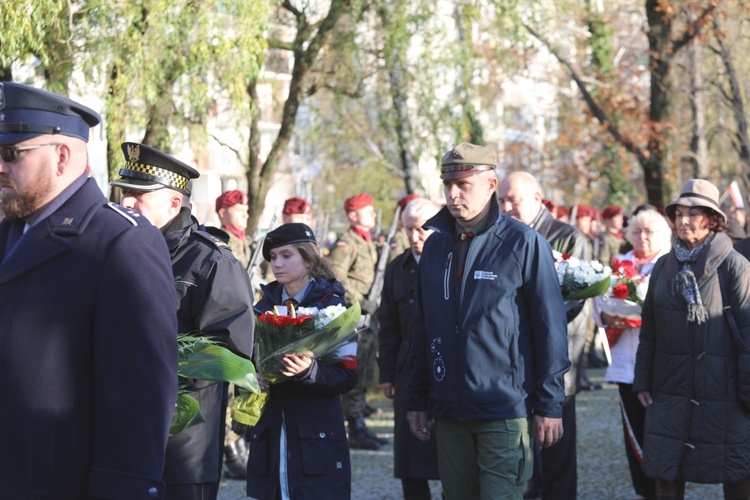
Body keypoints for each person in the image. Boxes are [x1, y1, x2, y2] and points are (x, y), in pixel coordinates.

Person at [0, 82, 178, 498]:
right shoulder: (8, 233)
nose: (0, 166)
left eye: (11, 154)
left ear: (62, 155)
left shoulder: (120, 242)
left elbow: (140, 402)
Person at [407, 143, 569, 499]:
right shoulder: (434, 247)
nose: (452, 193)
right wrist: (416, 398)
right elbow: (423, 327)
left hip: (503, 408)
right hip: (449, 409)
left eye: (463, 184)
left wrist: (549, 403)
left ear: (491, 184)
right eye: (448, 184)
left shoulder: (523, 243)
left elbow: (550, 328)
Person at [112, 143, 255, 500]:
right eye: (125, 192)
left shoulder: (211, 262)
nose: (127, 202)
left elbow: (230, 351)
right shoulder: (115, 250)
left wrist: (157, 363)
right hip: (122, 433)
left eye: (139, 195)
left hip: (183, 441)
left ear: (174, 204)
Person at [633, 179, 750, 499]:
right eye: (679, 213)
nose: (684, 220)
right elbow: (650, 329)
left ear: (713, 220)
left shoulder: (735, 266)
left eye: (694, 213)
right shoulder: (662, 267)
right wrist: (642, 379)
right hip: (670, 390)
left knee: (737, 472)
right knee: (665, 473)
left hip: (725, 393)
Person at [497, 170, 591, 500]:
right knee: (521, 455)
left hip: (555, 362)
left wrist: (524, 319)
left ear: (538, 199)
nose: (506, 207)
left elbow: (575, 300)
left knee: (556, 454)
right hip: (514, 364)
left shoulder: (568, 237)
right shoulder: (501, 235)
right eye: (501, 200)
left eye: (514, 200)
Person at [248, 223, 357, 499]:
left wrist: (310, 371)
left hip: (315, 434)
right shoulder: (261, 307)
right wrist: (253, 376)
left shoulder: (333, 308)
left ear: (308, 260)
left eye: (286, 256)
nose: (277, 264)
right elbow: (247, 359)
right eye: (273, 257)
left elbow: (347, 377)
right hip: (271, 431)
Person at [596, 208, 671, 500]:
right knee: (633, 429)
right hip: (625, 362)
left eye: (649, 232)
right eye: (637, 231)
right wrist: (607, 316)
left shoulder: (669, 264)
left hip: (661, 363)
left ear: (663, 235)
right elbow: (598, 303)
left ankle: (664, 488)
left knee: (660, 430)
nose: (642, 237)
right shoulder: (621, 264)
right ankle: (642, 490)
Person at [378, 197, 441, 500]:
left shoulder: (450, 260)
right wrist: (386, 373)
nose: (414, 237)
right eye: (409, 230)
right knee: (410, 452)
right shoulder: (397, 268)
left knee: (449, 452)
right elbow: (387, 324)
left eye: (421, 230)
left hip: (445, 368)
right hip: (407, 369)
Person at [329, 192, 385, 450]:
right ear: (353, 215)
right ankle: (352, 423)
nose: (373, 214)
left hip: (369, 318)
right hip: (356, 317)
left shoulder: (368, 242)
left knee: (365, 371)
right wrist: (360, 300)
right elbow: (336, 276)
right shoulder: (347, 242)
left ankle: (359, 419)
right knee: (353, 371)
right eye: (368, 210)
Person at [215, 189, 251, 267]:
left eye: (246, 211)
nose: (246, 215)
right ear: (223, 213)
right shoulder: (219, 243)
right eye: (240, 210)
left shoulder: (246, 240)